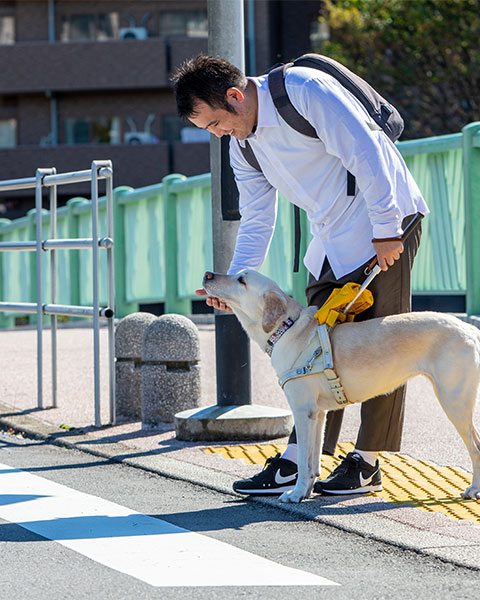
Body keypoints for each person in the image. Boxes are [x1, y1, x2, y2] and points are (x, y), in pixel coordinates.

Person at [170, 54, 428, 496]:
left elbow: (367, 150)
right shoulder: (243, 145)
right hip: (329, 238)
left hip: (382, 224)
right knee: (312, 344)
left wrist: (386, 229)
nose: (218, 134)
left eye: (216, 124)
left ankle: (367, 462)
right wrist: (232, 286)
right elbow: (255, 220)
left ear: (235, 97)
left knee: (383, 344)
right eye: (210, 130)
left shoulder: (304, 92)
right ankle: (299, 460)